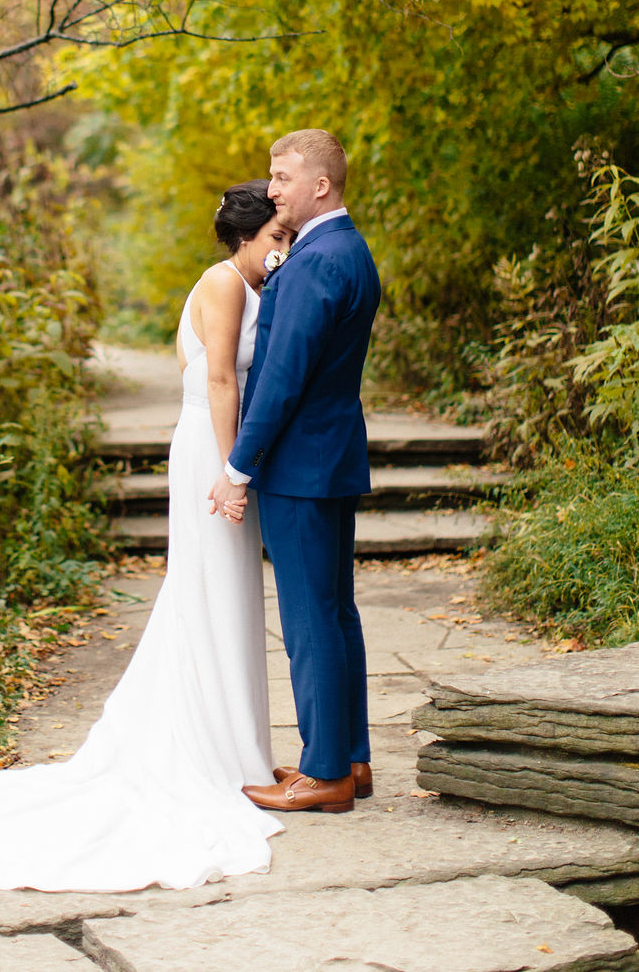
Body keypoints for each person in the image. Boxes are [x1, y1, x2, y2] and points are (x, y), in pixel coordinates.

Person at [0, 182, 295, 892]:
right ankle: (221, 754)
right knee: (213, 592)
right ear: (248, 239)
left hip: (211, 445)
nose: (281, 251)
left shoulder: (236, 283)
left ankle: (240, 751)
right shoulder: (225, 284)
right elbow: (219, 378)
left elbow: (197, 362)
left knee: (223, 596)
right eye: (275, 239)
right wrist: (232, 471)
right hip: (214, 455)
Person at [210, 129, 381, 816]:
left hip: (299, 468)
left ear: (320, 184)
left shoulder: (313, 263)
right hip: (332, 455)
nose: (272, 190)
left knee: (311, 622)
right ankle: (351, 757)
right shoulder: (350, 250)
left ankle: (323, 774)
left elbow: (281, 378)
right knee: (336, 614)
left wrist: (238, 465)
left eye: (282, 178)